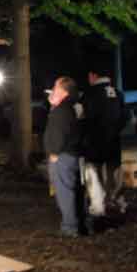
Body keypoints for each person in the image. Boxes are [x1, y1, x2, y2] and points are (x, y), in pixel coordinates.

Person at [44, 76, 89, 237]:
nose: (52, 90)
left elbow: (59, 133)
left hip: (63, 156)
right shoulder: (73, 107)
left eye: (55, 87)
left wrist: (54, 153)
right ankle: (81, 224)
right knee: (75, 190)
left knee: (65, 192)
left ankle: (70, 227)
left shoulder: (62, 111)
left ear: (63, 91)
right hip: (73, 154)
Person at [82, 67, 128, 218]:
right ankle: (117, 203)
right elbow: (126, 115)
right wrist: (115, 130)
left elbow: (84, 118)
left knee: (94, 174)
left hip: (94, 141)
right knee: (114, 173)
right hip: (113, 141)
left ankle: (98, 207)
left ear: (93, 75)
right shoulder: (118, 93)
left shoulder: (90, 94)